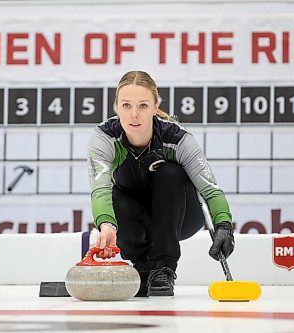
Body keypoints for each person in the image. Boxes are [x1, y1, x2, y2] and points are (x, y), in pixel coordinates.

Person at [87, 70, 234, 297]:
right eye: (126, 106)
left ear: (156, 107)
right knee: (116, 195)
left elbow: (210, 190)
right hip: (137, 216)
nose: (134, 115)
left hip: (181, 217)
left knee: (170, 173)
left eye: (143, 106)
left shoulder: (177, 138)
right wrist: (106, 225)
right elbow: (100, 190)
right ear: (117, 107)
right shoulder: (104, 137)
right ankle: (144, 269)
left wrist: (224, 225)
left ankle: (163, 268)